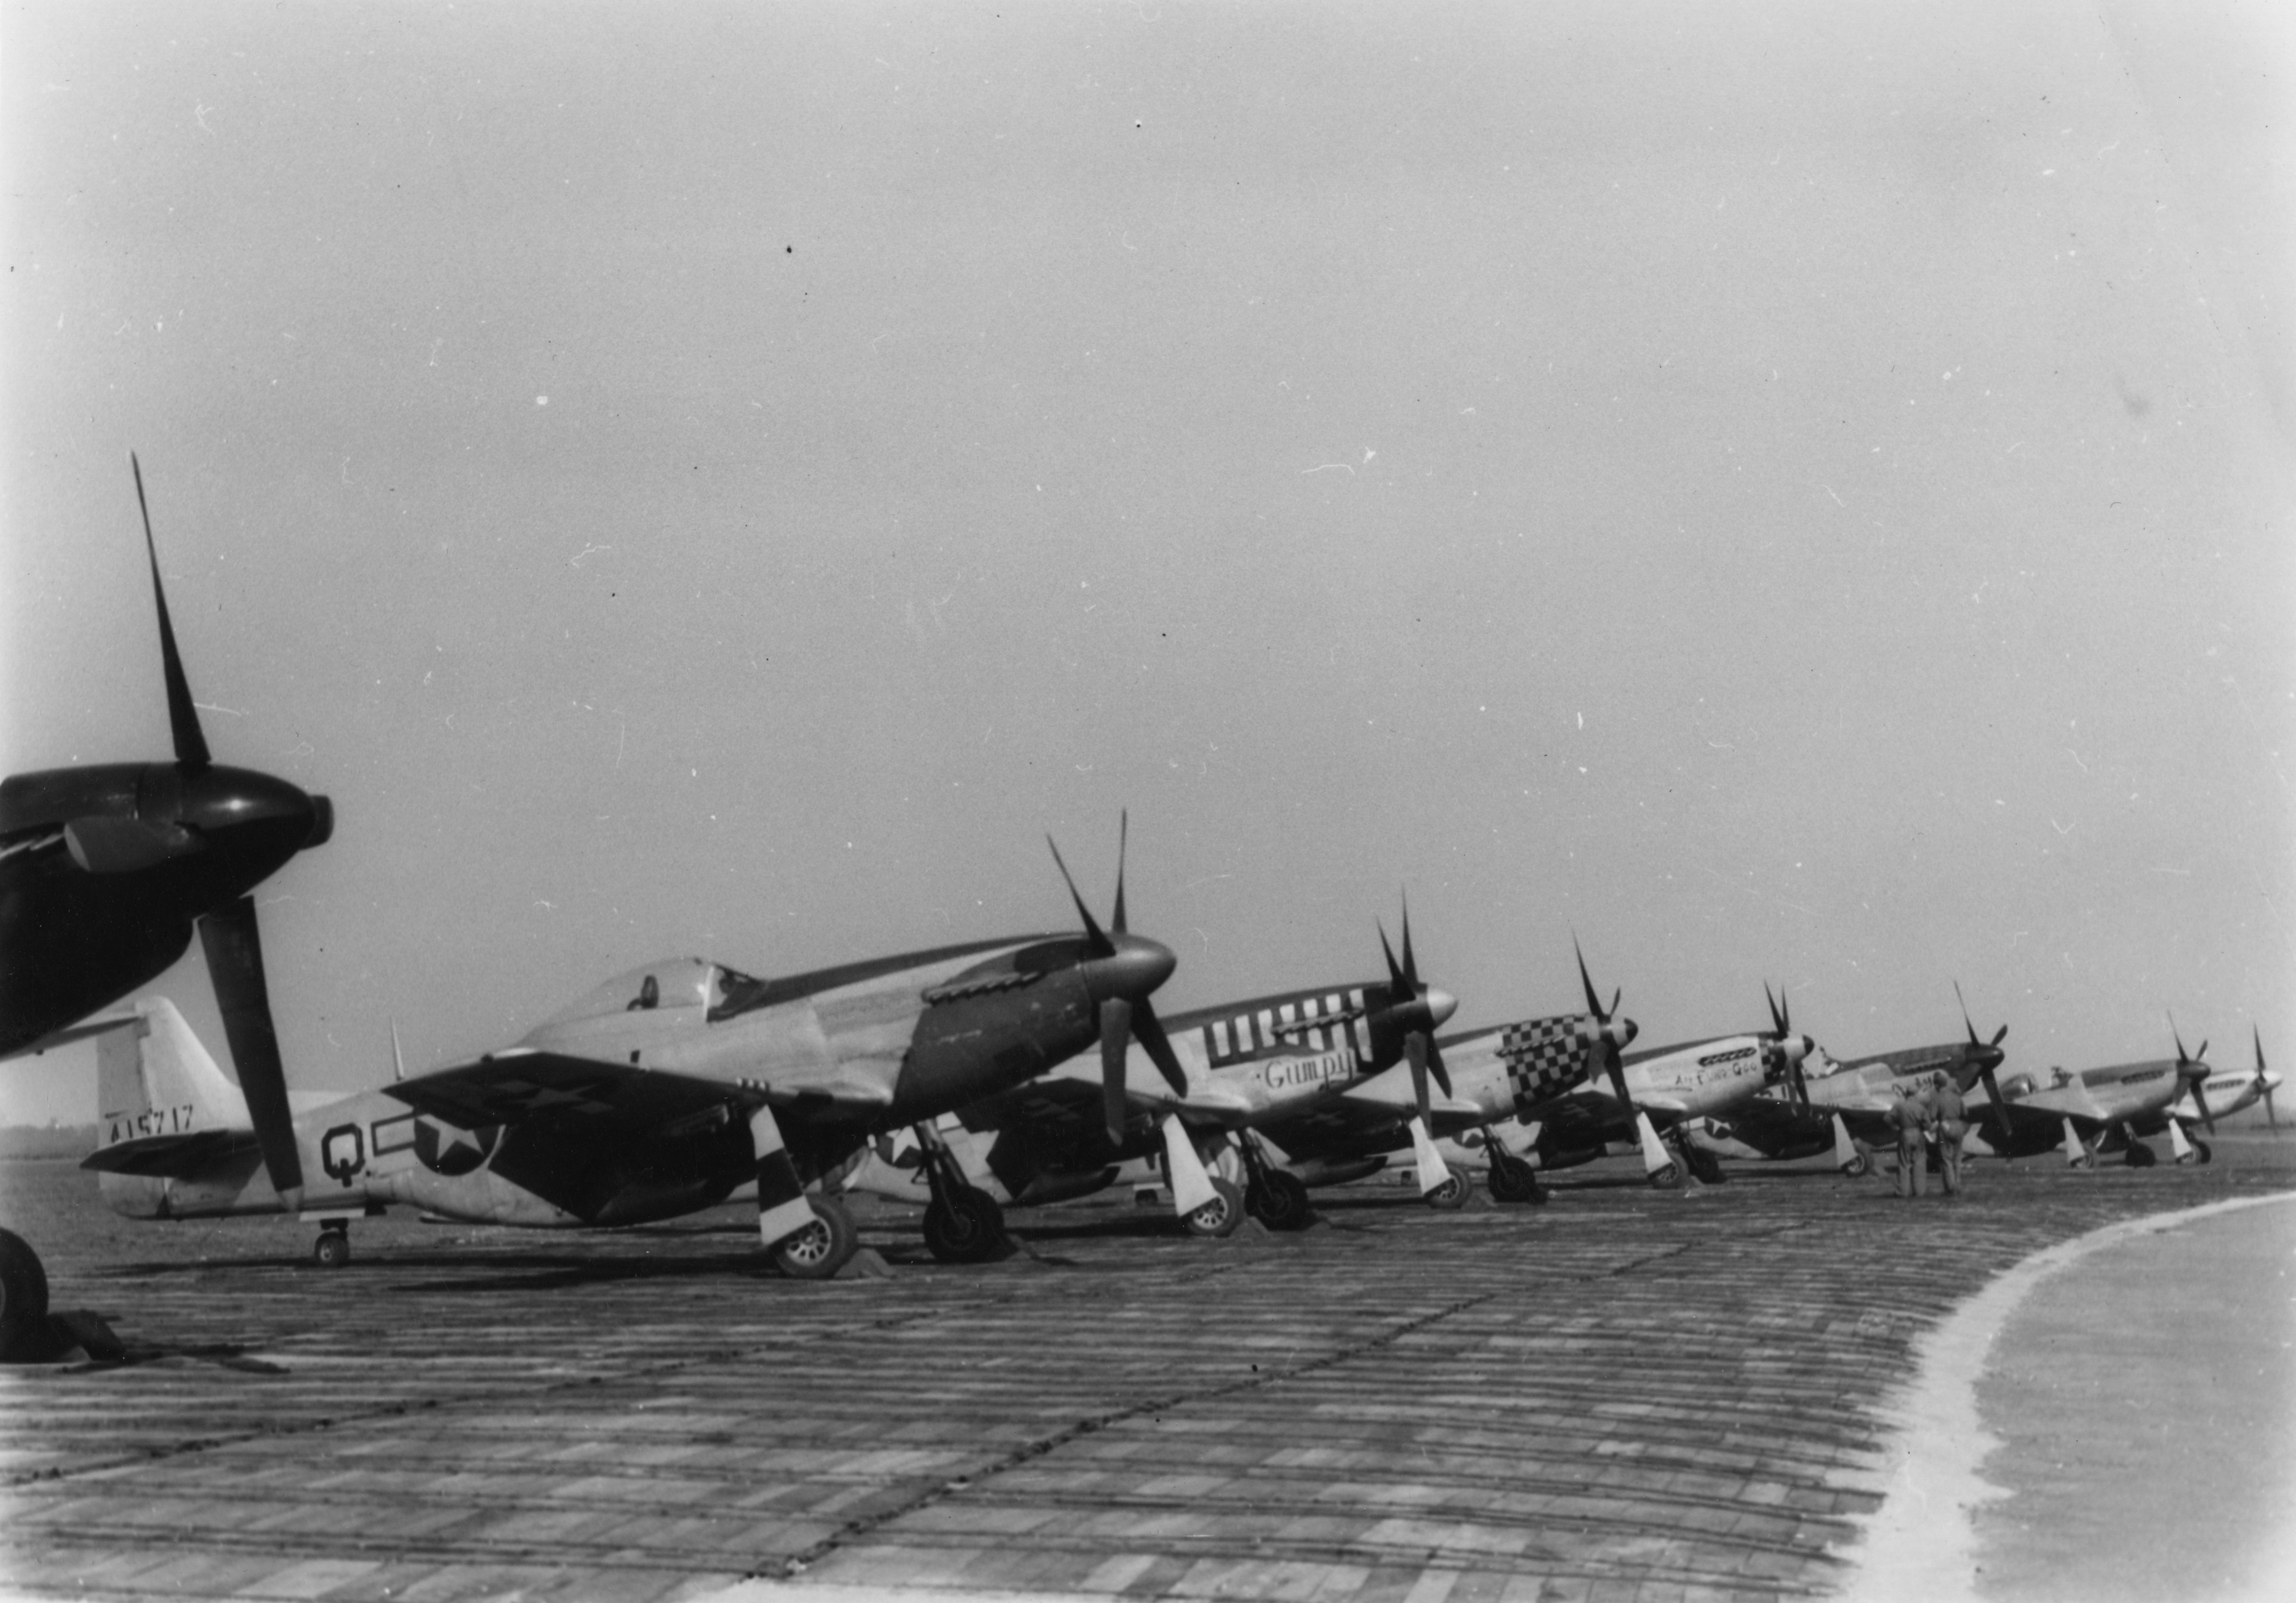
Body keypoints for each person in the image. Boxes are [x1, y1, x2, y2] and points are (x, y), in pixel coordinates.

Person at [1888, 1080, 1931, 1199]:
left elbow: (1887, 1119)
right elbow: (1928, 1125)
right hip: (1918, 1134)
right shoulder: (1921, 1107)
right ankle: (1920, 1191)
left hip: (1905, 1133)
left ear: (1906, 1094)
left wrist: (1896, 1128)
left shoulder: (1900, 1106)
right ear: (1916, 1094)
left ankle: (1903, 1192)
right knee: (1920, 1163)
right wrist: (1921, 1129)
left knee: (1904, 1164)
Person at [1930, 1069, 1968, 1197]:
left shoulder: (1937, 1098)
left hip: (1945, 1127)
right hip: (1959, 1126)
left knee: (1946, 1160)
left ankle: (1950, 1189)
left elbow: (1932, 1117)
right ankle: (1958, 1185)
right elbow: (1965, 1114)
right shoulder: (1957, 1097)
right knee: (1958, 1160)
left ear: (1936, 1085)